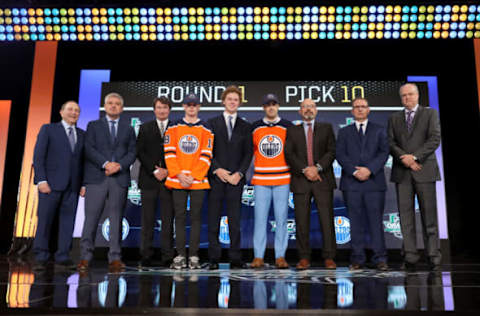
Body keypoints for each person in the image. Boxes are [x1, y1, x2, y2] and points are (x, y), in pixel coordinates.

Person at [78, 92, 136, 272]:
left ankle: (115, 258)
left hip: (119, 178)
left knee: (116, 219)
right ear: (105, 106)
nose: (113, 106)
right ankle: (85, 258)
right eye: (110, 103)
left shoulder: (128, 128)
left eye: (117, 104)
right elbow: (88, 148)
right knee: (91, 220)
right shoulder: (93, 125)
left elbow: (132, 152)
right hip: (97, 178)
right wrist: (105, 164)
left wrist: (119, 166)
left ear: (122, 108)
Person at [387, 83, 442, 271]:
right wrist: (406, 159)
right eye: (403, 96)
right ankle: (410, 256)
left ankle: (433, 255)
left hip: (424, 170)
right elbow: (391, 142)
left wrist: (415, 157)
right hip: (403, 172)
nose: (407, 98)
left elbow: (434, 139)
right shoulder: (394, 118)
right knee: (406, 218)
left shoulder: (430, 114)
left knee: (429, 216)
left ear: (417, 96)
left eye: (410, 94)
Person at [336, 97, 390, 271]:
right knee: (356, 223)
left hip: (374, 183)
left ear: (368, 110)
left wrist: (369, 170)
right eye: (356, 107)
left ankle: (380, 259)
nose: (360, 109)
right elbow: (340, 155)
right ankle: (357, 259)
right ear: (352, 111)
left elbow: (384, 152)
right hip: (351, 184)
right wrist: (354, 171)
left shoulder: (379, 130)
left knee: (375, 222)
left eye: (363, 107)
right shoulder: (344, 132)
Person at [32, 101, 85, 271]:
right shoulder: (48, 129)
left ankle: (63, 256)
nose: (73, 113)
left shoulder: (82, 134)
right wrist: (41, 181)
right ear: (61, 112)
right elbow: (38, 157)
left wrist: (83, 184)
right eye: (70, 109)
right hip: (50, 185)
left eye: (77, 110)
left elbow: (84, 162)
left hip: (72, 187)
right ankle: (40, 256)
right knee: (45, 222)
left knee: (68, 223)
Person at [284, 98, 337, 270]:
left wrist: (317, 168)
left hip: (322, 180)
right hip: (301, 180)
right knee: (301, 221)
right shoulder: (292, 130)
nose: (308, 110)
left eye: (311, 107)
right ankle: (304, 258)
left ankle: (329, 257)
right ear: (300, 111)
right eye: (305, 107)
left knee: (326, 220)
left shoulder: (327, 128)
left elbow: (331, 151)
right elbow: (289, 154)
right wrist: (306, 170)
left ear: (316, 110)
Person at [163, 93, 214, 269]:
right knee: (179, 217)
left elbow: (206, 154)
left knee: (196, 218)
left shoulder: (206, 128)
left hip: (197, 180)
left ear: (198, 107)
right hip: (178, 180)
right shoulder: (173, 126)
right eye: (188, 104)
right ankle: (180, 256)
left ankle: (193, 255)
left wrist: (194, 175)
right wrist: (179, 174)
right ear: (184, 106)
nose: (191, 107)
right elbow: (169, 153)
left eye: (194, 104)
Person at [207, 86, 253, 270]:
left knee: (234, 220)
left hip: (236, 180)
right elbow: (207, 151)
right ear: (223, 101)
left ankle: (235, 258)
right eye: (230, 99)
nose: (233, 102)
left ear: (239, 103)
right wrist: (217, 170)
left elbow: (248, 153)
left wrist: (239, 173)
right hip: (216, 178)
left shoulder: (245, 126)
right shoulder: (211, 123)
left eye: (236, 99)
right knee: (213, 219)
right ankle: (213, 258)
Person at [250, 93, 292, 269]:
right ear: (263, 108)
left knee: (282, 219)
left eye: (274, 104)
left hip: (282, 178)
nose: (271, 107)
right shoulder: (255, 127)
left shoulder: (287, 126)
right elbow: (248, 152)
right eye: (268, 105)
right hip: (261, 179)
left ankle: (280, 256)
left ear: (278, 106)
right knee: (260, 219)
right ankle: (258, 256)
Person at [136, 96, 174, 268]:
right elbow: (140, 152)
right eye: (159, 107)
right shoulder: (144, 128)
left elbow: (180, 154)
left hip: (169, 180)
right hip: (149, 179)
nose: (162, 110)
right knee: (148, 220)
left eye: (165, 108)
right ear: (154, 109)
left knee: (168, 220)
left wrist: (168, 171)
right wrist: (155, 169)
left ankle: (167, 256)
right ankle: (146, 255)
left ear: (169, 110)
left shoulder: (176, 128)